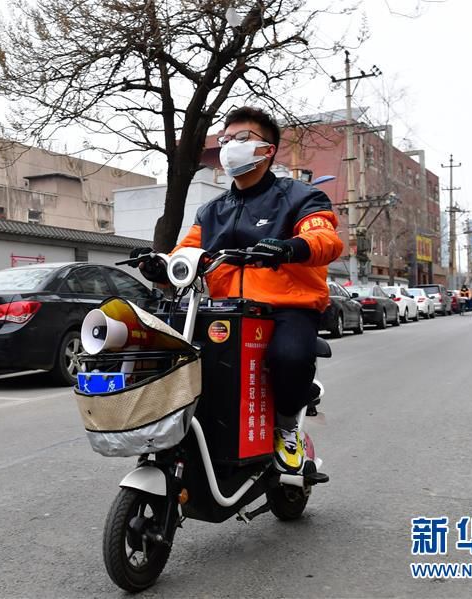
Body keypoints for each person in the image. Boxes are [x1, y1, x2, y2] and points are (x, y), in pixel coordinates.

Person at [134, 106, 343, 473]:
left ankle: (286, 426)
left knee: (289, 358)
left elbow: (323, 237)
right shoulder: (212, 211)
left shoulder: (300, 197)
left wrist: (292, 247)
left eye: (243, 139)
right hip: (224, 307)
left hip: (287, 307)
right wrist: (162, 267)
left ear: (268, 149)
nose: (231, 146)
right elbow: (188, 254)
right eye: (227, 139)